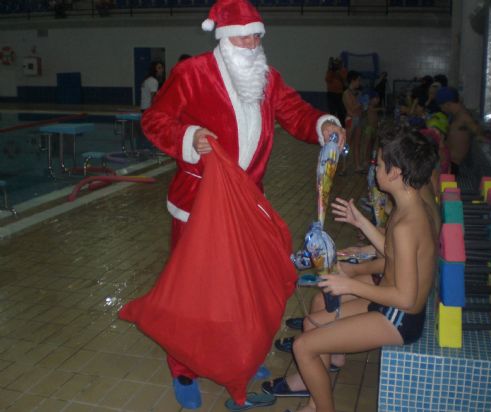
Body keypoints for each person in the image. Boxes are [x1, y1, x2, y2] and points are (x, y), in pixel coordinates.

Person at [140, 0, 346, 408]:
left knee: (241, 289)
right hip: (198, 205)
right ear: (223, 38)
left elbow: (295, 113)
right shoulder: (192, 73)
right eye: (244, 36)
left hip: (248, 204)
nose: (253, 43)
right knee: (193, 291)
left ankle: (237, 356)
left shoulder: (267, 79)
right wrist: (190, 138)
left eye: (257, 36)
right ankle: (183, 367)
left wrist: (324, 125)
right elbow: (155, 121)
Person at [262, 129, 438, 412]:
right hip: (387, 304)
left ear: (395, 172)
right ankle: (314, 403)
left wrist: (350, 285)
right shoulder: (411, 207)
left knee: (304, 347)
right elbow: (395, 253)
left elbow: (405, 298)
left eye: (379, 165)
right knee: (311, 325)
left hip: (398, 317)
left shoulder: (407, 224)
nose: (375, 168)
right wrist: (362, 224)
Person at [436, 86, 484, 175]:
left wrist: (479, 135)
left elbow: (478, 131)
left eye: (441, 106)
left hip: (452, 165)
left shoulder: (464, 116)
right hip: (447, 161)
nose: (442, 109)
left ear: (448, 104)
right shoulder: (456, 115)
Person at [342, 71, 363, 173]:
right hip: (351, 119)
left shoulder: (357, 93)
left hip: (358, 119)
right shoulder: (346, 93)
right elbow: (351, 108)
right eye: (358, 80)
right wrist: (361, 102)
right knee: (347, 144)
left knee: (357, 143)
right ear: (353, 80)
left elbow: (360, 109)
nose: (360, 82)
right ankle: (343, 166)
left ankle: (357, 165)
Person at [325, 57, 347, 126]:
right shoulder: (330, 71)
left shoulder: (343, 70)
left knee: (341, 111)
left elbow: (344, 79)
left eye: (338, 63)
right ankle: (332, 125)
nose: (336, 65)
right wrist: (332, 71)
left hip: (340, 94)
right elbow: (327, 79)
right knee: (332, 110)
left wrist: (338, 72)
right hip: (331, 93)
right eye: (335, 63)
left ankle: (342, 125)